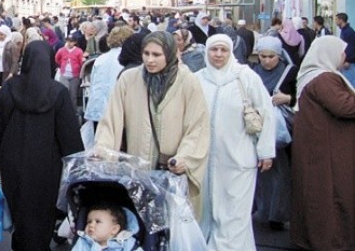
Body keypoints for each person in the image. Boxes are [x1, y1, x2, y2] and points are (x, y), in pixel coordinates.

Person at [0, 41, 84, 250]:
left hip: (12, 162)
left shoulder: (9, 88)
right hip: (45, 166)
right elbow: (69, 138)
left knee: (18, 209)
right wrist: (79, 173)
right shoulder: (58, 93)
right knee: (41, 212)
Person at [95, 31, 210, 219]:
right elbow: (111, 120)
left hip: (172, 173)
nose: (150, 60)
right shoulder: (129, 79)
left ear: (170, 54)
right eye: (146, 53)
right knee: (141, 225)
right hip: (138, 170)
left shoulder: (188, 81)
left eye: (156, 55)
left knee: (172, 229)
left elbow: (197, 126)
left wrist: (185, 157)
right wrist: (103, 149)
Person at [195, 34, 275, 251]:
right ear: (207, 52)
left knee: (235, 214)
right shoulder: (198, 79)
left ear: (231, 52)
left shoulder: (246, 77)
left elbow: (266, 113)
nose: (218, 55)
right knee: (208, 210)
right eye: (214, 50)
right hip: (205, 160)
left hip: (239, 158)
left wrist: (265, 151)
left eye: (223, 50)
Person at [290, 36, 355, 251]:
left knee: (314, 194)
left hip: (317, 147)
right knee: (330, 196)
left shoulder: (311, 76)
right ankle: (332, 241)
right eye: (342, 51)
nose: (345, 56)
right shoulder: (324, 79)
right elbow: (344, 107)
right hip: (327, 150)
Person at [251, 36, 297, 231]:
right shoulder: (251, 73)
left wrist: (288, 98)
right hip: (257, 129)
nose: (267, 61)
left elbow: (301, 95)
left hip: (281, 133)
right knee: (260, 173)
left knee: (281, 173)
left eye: (271, 56)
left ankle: (277, 214)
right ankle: (262, 210)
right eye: (263, 56)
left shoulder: (290, 72)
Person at [84, 25, 134, 139]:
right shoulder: (126, 59)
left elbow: (93, 84)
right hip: (115, 109)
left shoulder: (100, 59)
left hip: (97, 107)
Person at [71, 203, 138, 251]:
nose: (91, 225)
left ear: (114, 229)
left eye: (97, 221)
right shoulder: (83, 242)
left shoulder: (127, 243)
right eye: (89, 222)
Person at [55, 35, 85, 111]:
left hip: (74, 75)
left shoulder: (79, 51)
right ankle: (63, 110)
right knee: (64, 92)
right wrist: (61, 65)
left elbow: (81, 62)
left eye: (71, 41)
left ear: (75, 42)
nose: (69, 43)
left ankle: (73, 111)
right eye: (68, 41)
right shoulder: (61, 50)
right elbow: (57, 58)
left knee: (73, 94)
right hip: (64, 74)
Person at [335, 12, 355, 87]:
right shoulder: (344, 30)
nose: (335, 22)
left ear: (341, 20)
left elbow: (350, 47)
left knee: (350, 84)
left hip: (349, 63)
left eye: (336, 19)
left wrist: (347, 60)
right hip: (346, 61)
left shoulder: (348, 32)